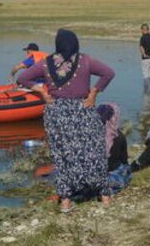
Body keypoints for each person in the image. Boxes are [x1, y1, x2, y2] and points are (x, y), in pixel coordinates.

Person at [18, 29, 116, 213]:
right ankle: (104, 196)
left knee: (62, 155)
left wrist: (42, 92)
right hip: (83, 110)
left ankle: (65, 200)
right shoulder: (86, 60)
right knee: (93, 150)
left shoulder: (46, 63)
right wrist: (94, 92)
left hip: (57, 113)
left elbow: (23, 78)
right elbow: (108, 73)